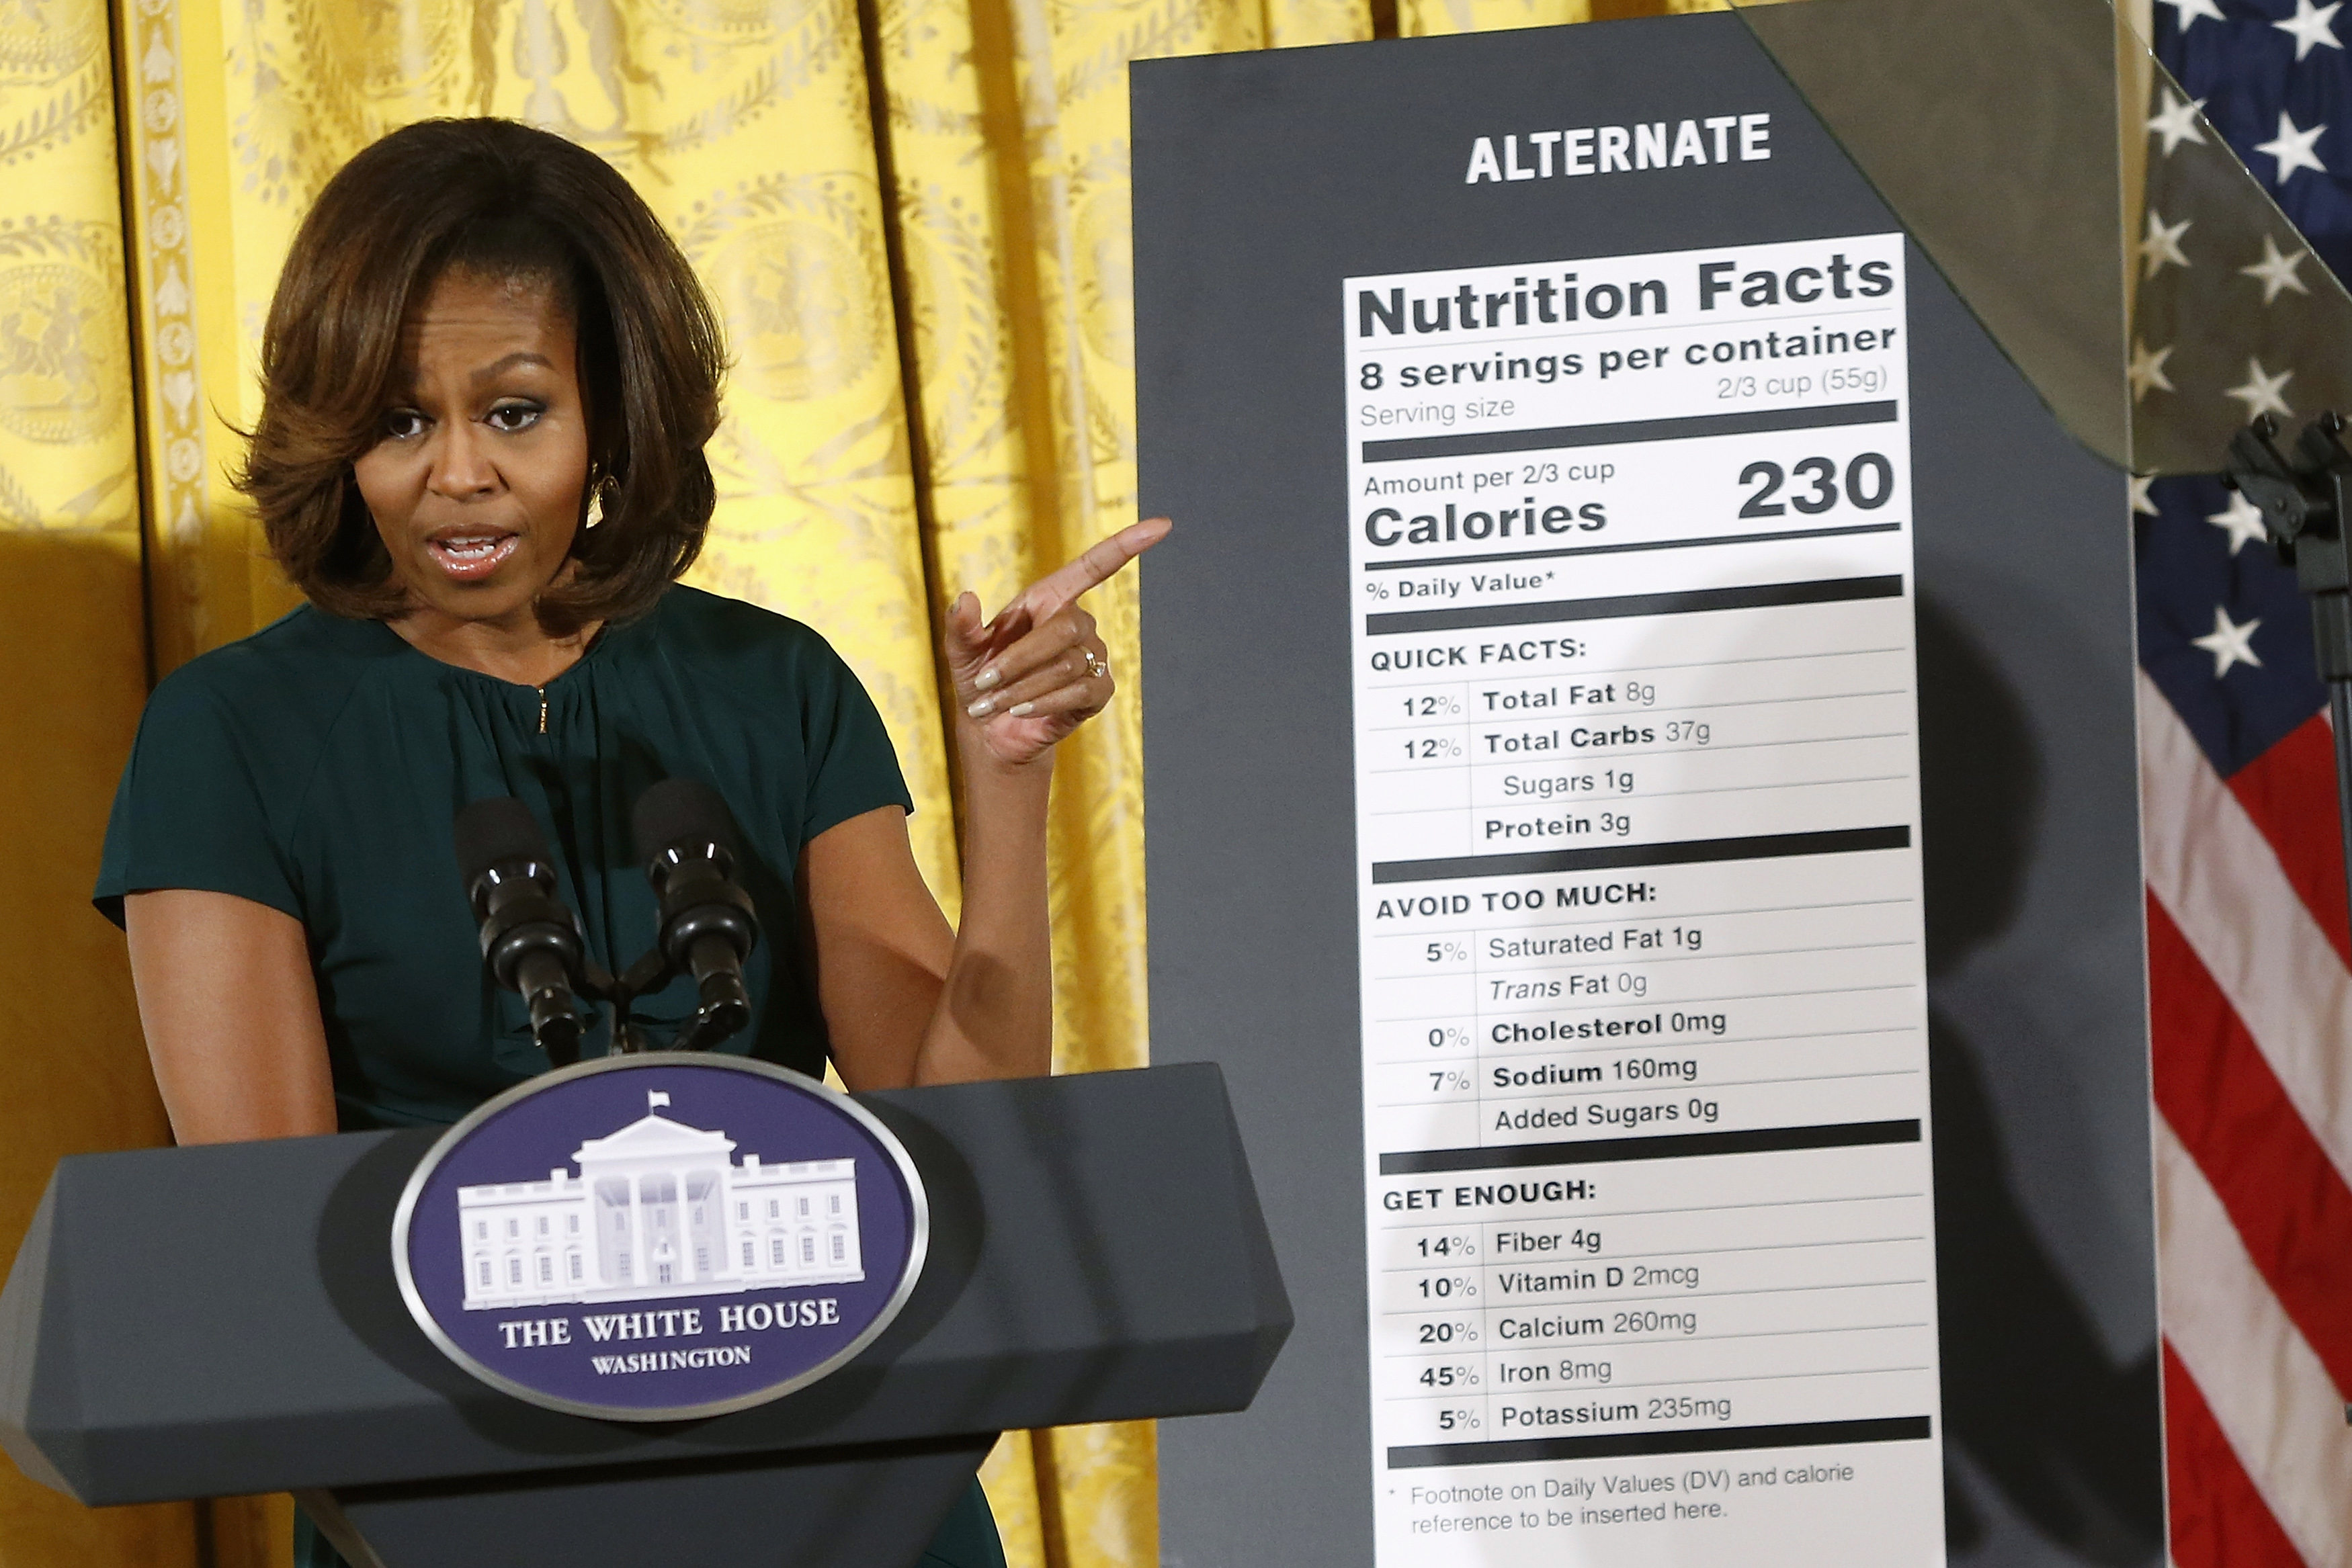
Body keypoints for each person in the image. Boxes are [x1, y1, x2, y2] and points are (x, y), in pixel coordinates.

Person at [93, 117, 1165, 1568]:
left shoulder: (770, 688)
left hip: (846, 1498)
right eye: (402, 420)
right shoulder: (232, 735)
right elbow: (282, 1247)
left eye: (516, 412)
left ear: (615, 415)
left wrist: (1009, 782)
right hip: (443, 1508)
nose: (456, 473)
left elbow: (951, 1122)